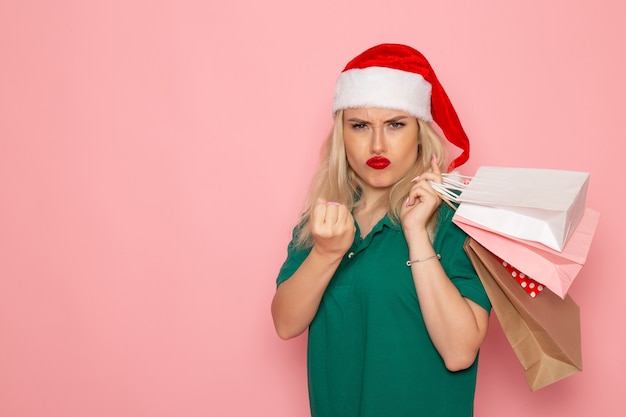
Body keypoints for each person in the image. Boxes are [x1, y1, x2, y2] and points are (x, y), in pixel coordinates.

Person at [271, 43, 491, 417]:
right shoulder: (323, 222)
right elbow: (285, 324)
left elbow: (459, 352)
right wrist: (326, 252)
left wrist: (416, 231)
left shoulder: (456, 220)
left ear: (420, 132)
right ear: (342, 134)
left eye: (395, 124)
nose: (376, 144)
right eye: (359, 126)